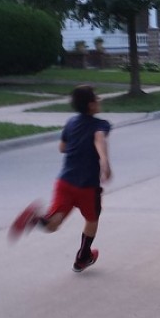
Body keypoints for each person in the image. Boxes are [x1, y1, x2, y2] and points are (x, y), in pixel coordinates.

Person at [9, 84, 112, 272]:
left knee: (51, 225)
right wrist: (104, 162)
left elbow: (62, 148)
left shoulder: (71, 122)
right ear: (91, 105)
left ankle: (34, 218)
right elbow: (99, 139)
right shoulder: (100, 125)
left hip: (64, 183)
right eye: (97, 97)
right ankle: (83, 256)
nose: (100, 99)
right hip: (87, 186)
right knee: (92, 218)